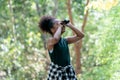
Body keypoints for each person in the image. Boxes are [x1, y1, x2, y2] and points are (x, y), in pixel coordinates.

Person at [38, 15, 84, 80]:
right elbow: (56, 39)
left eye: (60, 23)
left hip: (68, 72)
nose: (61, 25)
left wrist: (70, 25)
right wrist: (60, 27)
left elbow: (81, 36)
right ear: (52, 29)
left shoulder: (65, 40)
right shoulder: (50, 42)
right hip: (56, 73)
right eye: (57, 24)